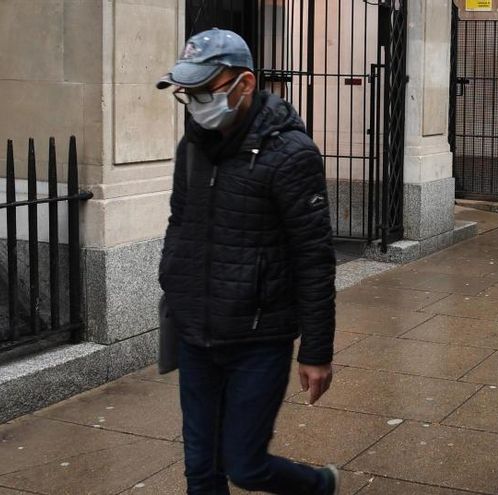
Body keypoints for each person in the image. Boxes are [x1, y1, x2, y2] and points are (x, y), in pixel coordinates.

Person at [156, 28, 338, 495]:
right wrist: (173, 282)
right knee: (200, 466)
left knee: (245, 465)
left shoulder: (291, 154)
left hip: (259, 337)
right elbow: (182, 221)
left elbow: (314, 258)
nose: (196, 102)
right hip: (197, 332)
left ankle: (318, 486)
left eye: (204, 89)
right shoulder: (192, 147)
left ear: (246, 83)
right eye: (187, 93)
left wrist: (316, 351)